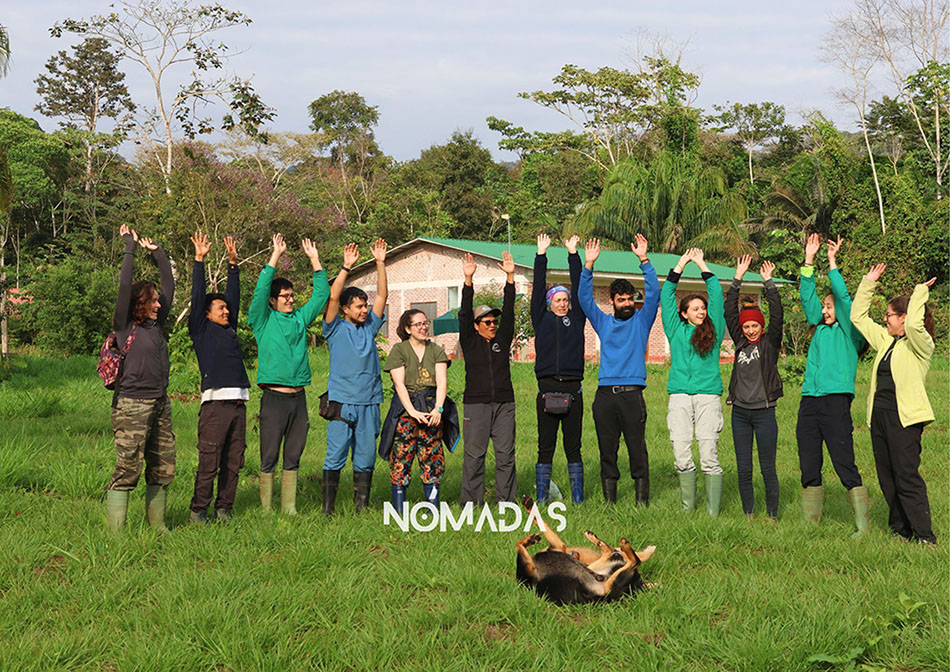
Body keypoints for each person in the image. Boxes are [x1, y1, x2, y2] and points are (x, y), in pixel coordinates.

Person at [851, 264, 937, 544]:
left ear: (904, 317)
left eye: (889, 315)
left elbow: (914, 324)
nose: (885, 320)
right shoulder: (886, 341)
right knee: (887, 477)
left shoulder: (920, 345)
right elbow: (857, 317)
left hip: (905, 419)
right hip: (880, 417)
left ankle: (924, 535)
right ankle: (901, 530)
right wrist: (868, 282)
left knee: (906, 475)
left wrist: (920, 292)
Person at [248, 233, 329, 515]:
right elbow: (259, 291)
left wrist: (315, 260)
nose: (291, 300)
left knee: (293, 454)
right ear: (273, 301)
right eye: (285, 296)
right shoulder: (262, 319)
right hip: (274, 399)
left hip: (298, 399)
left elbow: (321, 296)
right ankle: (267, 509)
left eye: (292, 296)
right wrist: (275, 256)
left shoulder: (299, 319)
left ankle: (289, 508)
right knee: (269, 455)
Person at [797, 234, 869, 538]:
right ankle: (810, 525)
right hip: (809, 402)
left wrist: (832, 262)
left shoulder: (851, 335)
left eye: (829, 307)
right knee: (809, 462)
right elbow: (807, 299)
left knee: (844, 463)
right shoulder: (819, 330)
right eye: (824, 307)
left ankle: (862, 527)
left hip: (835, 402)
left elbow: (843, 299)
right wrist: (809, 261)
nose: (825, 311)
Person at [578, 235, 659, 505]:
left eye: (630, 299)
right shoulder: (603, 322)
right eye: (621, 299)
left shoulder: (642, 320)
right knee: (607, 450)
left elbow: (655, 293)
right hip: (604, 397)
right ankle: (610, 502)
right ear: (612, 301)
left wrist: (644, 259)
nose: (626, 303)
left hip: (632, 395)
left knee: (637, 448)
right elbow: (583, 299)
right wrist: (588, 265)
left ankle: (641, 503)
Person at [104, 225, 175, 532]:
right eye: (153, 300)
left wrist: (157, 252)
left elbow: (170, 286)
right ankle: (116, 535)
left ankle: (157, 527)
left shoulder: (157, 327)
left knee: (162, 467)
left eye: (158, 301)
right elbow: (123, 286)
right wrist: (129, 248)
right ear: (139, 304)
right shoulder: (125, 326)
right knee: (127, 467)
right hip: (131, 404)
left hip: (160, 403)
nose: (159, 304)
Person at [321, 239, 389, 515]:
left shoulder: (369, 328)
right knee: (335, 455)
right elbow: (334, 297)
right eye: (358, 306)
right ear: (346, 309)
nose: (364, 310)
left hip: (369, 402)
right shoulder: (333, 329)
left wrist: (380, 263)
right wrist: (346, 268)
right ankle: (328, 509)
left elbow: (382, 297)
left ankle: (361, 508)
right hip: (341, 403)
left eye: (365, 306)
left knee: (365, 458)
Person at [187, 231, 250, 524]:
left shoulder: (229, 328)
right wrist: (199, 260)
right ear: (207, 314)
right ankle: (199, 511)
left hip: (238, 405)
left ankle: (224, 509)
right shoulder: (201, 328)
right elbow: (198, 295)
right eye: (221, 308)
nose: (227, 311)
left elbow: (234, 297)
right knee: (209, 461)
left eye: (226, 308)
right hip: (215, 407)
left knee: (234, 461)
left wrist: (233, 265)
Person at [660, 248, 726, 516]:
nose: (701, 311)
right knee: (681, 451)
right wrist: (680, 264)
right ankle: (688, 508)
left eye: (703, 308)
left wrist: (701, 264)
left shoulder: (715, 330)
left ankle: (712, 513)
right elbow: (666, 295)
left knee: (709, 452)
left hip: (708, 395)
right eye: (695, 308)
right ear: (684, 313)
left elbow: (718, 297)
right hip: (679, 396)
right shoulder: (675, 328)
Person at [378, 309, 458, 511]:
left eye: (426, 323)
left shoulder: (435, 350)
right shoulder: (399, 350)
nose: (423, 327)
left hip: (431, 410)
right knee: (401, 460)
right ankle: (398, 512)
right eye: (418, 324)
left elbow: (441, 381)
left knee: (432, 459)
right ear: (407, 328)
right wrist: (412, 412)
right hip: (406, 414)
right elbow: (399, 384)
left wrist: (438, 410)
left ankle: (432, 509)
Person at [531, 233, 587, 504]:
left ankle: (578, 499)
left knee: (573, 447)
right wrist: (541, 255)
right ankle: (542, 498)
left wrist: (573, 254)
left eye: (565, 299)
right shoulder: (541, 319)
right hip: (547, 392)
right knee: (546, 447)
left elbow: (580, 289)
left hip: (573, 392)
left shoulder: (577, 319)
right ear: (549, 303)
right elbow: (537, 289)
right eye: (558, 299)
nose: (563, 303)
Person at [725, 256, 783, 520]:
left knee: (767, 468)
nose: (749, 330)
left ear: (761, 326)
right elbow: (729, 311)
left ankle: (772, 515)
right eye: (746, 326)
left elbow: (777, 314)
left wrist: (768, 283)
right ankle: (749, 514)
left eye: (754, 325)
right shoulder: (739, 342)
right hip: (740, 413)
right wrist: (737, 278)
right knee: (744, 468)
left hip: (764, 413)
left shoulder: (769, 343)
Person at [459, 250, 518, 506]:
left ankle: (507, 504)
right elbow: (463, 314)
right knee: (474, 456)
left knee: (505, 455)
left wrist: (510, 278)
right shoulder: (470, 342)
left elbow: (510, 312)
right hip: (477, 404)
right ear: (476, 325)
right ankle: (472, 504)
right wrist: (468, 281)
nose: (492, 325)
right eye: (486, 321)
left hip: (505, 404)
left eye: (494, 321)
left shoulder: (502, 341)